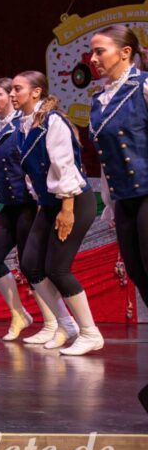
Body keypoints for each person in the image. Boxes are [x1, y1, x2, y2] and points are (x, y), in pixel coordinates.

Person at [13, 71, 103, 356]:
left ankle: (90, 332)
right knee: (31, 264)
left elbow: (64, 167)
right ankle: (66, 324)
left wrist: (66, 210)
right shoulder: (23, 126)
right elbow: (33, 173)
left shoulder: (53, 122)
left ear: (36, 92)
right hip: (50, 204)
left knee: (58, 268)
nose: (13, 94)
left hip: (73, 201)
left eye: (17, 89)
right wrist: (43, 204)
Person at [0, 77, 55, 342]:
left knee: (30, 264)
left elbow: (36, 164)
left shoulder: (23, 123)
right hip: (8, 205)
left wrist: (41, 204)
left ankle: (53, 322)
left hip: (29, 204)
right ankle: (19, 313)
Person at [88, 25, 148, 310]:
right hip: (123, 197)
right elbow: (106, 158)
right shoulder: (98, 101)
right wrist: (109, 202)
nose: (93, 59)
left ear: (125, 52)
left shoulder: (143, 86)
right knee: (136, 269)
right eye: (92, 52)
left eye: (100, 51)